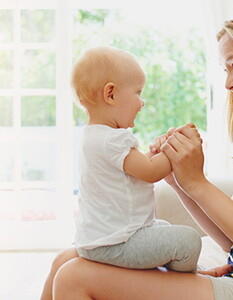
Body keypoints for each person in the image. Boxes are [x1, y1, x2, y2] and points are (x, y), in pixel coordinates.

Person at [45, 6, 233, 300]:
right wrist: (179, 181)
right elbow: (230, 240)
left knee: (74, 277)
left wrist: (198, 183)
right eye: (226, 70)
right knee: (64, 261)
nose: (229, 83)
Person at [40, 46, 202, 299]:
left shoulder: (93, 136)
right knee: (189, 240)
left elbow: (135, 171)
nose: (142, 102)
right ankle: (180, 281)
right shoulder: (115, 139)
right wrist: (177, 148)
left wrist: (157, 155)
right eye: (138, 92)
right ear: (111, 94)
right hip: (120, 241)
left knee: (163, 226)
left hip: (96, 240)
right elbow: (149, 172)